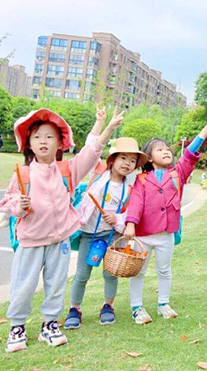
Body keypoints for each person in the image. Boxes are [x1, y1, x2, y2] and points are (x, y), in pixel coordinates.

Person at [2, 106, 124, 353]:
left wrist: (107, 127)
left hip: (60, 241)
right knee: (23, 285)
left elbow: (91, 152)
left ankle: (49, 325)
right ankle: (17, 327)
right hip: (31, 241)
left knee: (56, 284)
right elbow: (8, 203)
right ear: (29, 144)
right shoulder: (22, 173)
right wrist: (19, 207)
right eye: (37, 137)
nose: (43, 141)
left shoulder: (67, 171)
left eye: (49, 136)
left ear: (59, 143)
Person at [123, 120, 207, 324]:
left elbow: (188, 156)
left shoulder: (177, 174)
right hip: (143, 235)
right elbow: (136, 203)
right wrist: (130, 224)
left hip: (166, 234)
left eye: (167, 149)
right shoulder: (141, 179)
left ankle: (163, 304)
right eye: (160, 150)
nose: (166, 151)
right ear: (149, 157)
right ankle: (137, 307)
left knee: (164, 270)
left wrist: (202, 133)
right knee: (138, 271)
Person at [63, 109, 147, 329]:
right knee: (82, 274)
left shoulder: (132, 187)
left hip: (113, 236)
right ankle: (74, 308)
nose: (127, 163)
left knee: (111, 274)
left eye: (132, 161)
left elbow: (131, 213)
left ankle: (108, 306)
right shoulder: (98, 171)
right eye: (123, 158)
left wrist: (117, 219)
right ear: (112, 159)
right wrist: (101, 122)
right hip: (88, 234)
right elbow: (91, 148)